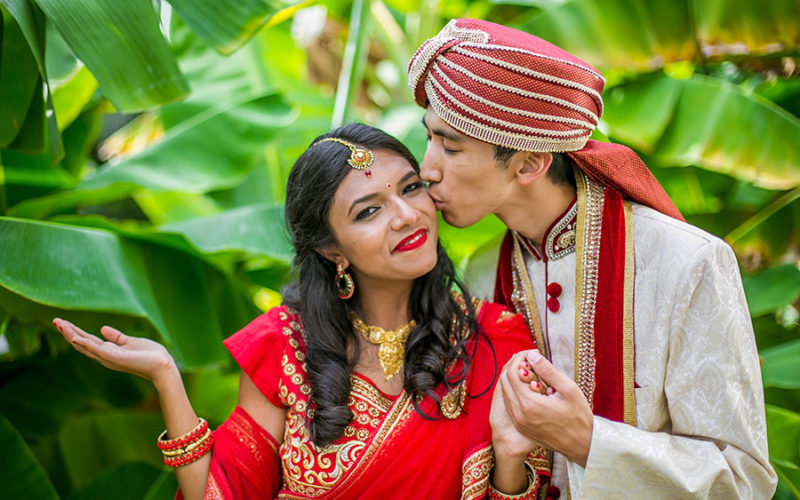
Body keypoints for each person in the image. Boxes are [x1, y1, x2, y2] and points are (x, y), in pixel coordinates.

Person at [53, 123, 550, 499]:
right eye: (368, 211)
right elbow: (225, 492)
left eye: (410, 187)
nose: (406, 215)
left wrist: (510, 459)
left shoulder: (497, 340)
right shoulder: (282, 347)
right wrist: (166, 376)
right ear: (332, 250)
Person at [408, 18, 777, 499]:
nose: (427, 169)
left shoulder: (686, 264)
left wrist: (588, 442)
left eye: (450, 147)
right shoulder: (481, 273)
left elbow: (745, 481)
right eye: (430, 138)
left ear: (530, 163)